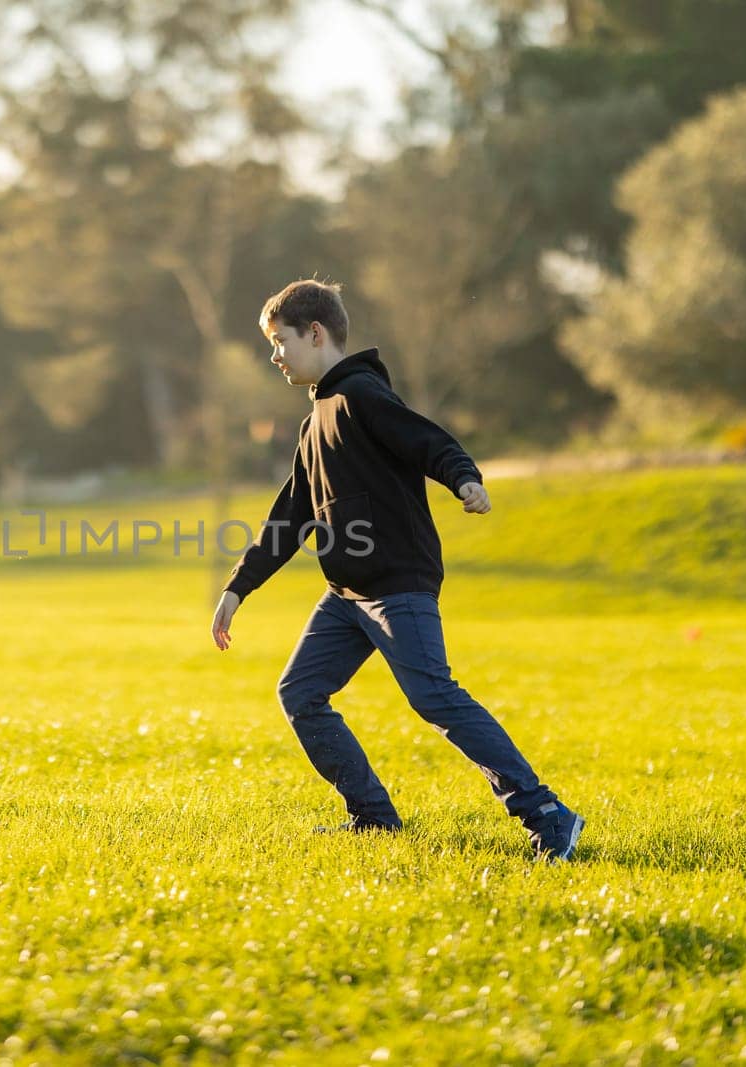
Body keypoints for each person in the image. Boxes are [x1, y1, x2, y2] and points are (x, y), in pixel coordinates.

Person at [210, 279, 583, 862]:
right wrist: (238, 587)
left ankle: (546, 813)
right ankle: (374, 818)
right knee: (301, 692)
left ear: (315, 332)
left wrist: (465, 478)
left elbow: (428, 441)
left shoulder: (361, 396)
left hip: (395, 584)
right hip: (346, 594)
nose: (275, 356)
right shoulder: (314, 424)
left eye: (280, 341)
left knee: (433, 697)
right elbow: (288, 517)